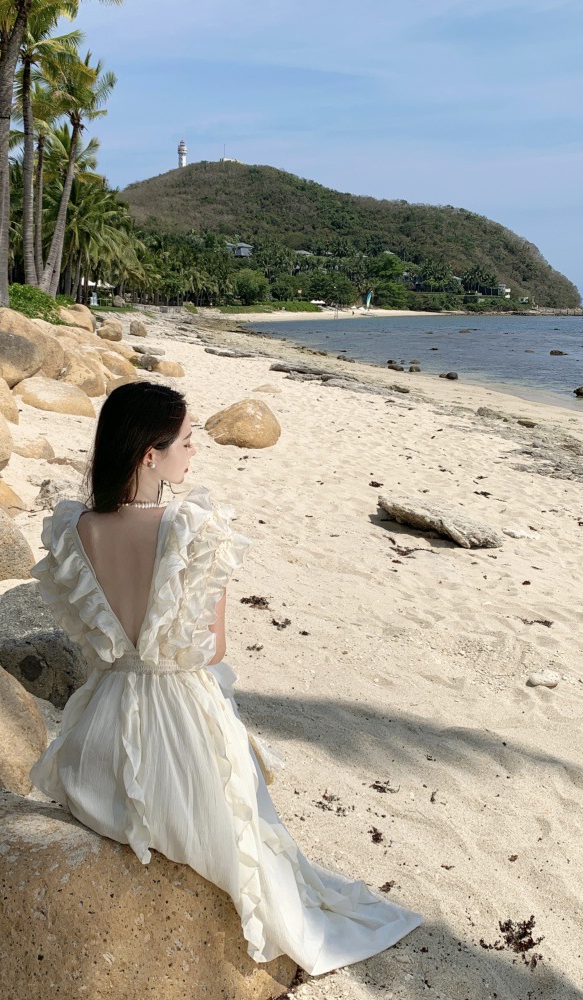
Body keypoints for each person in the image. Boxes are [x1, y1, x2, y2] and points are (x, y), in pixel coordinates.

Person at [29, 381, 423, 976]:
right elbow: (213, 648)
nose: (194, 452)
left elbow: (94, 643)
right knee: (243, 824)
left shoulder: (76, 528)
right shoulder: (193, 525)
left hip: (101, 733)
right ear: (150, 455)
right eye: (187, 442)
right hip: (179, 717)